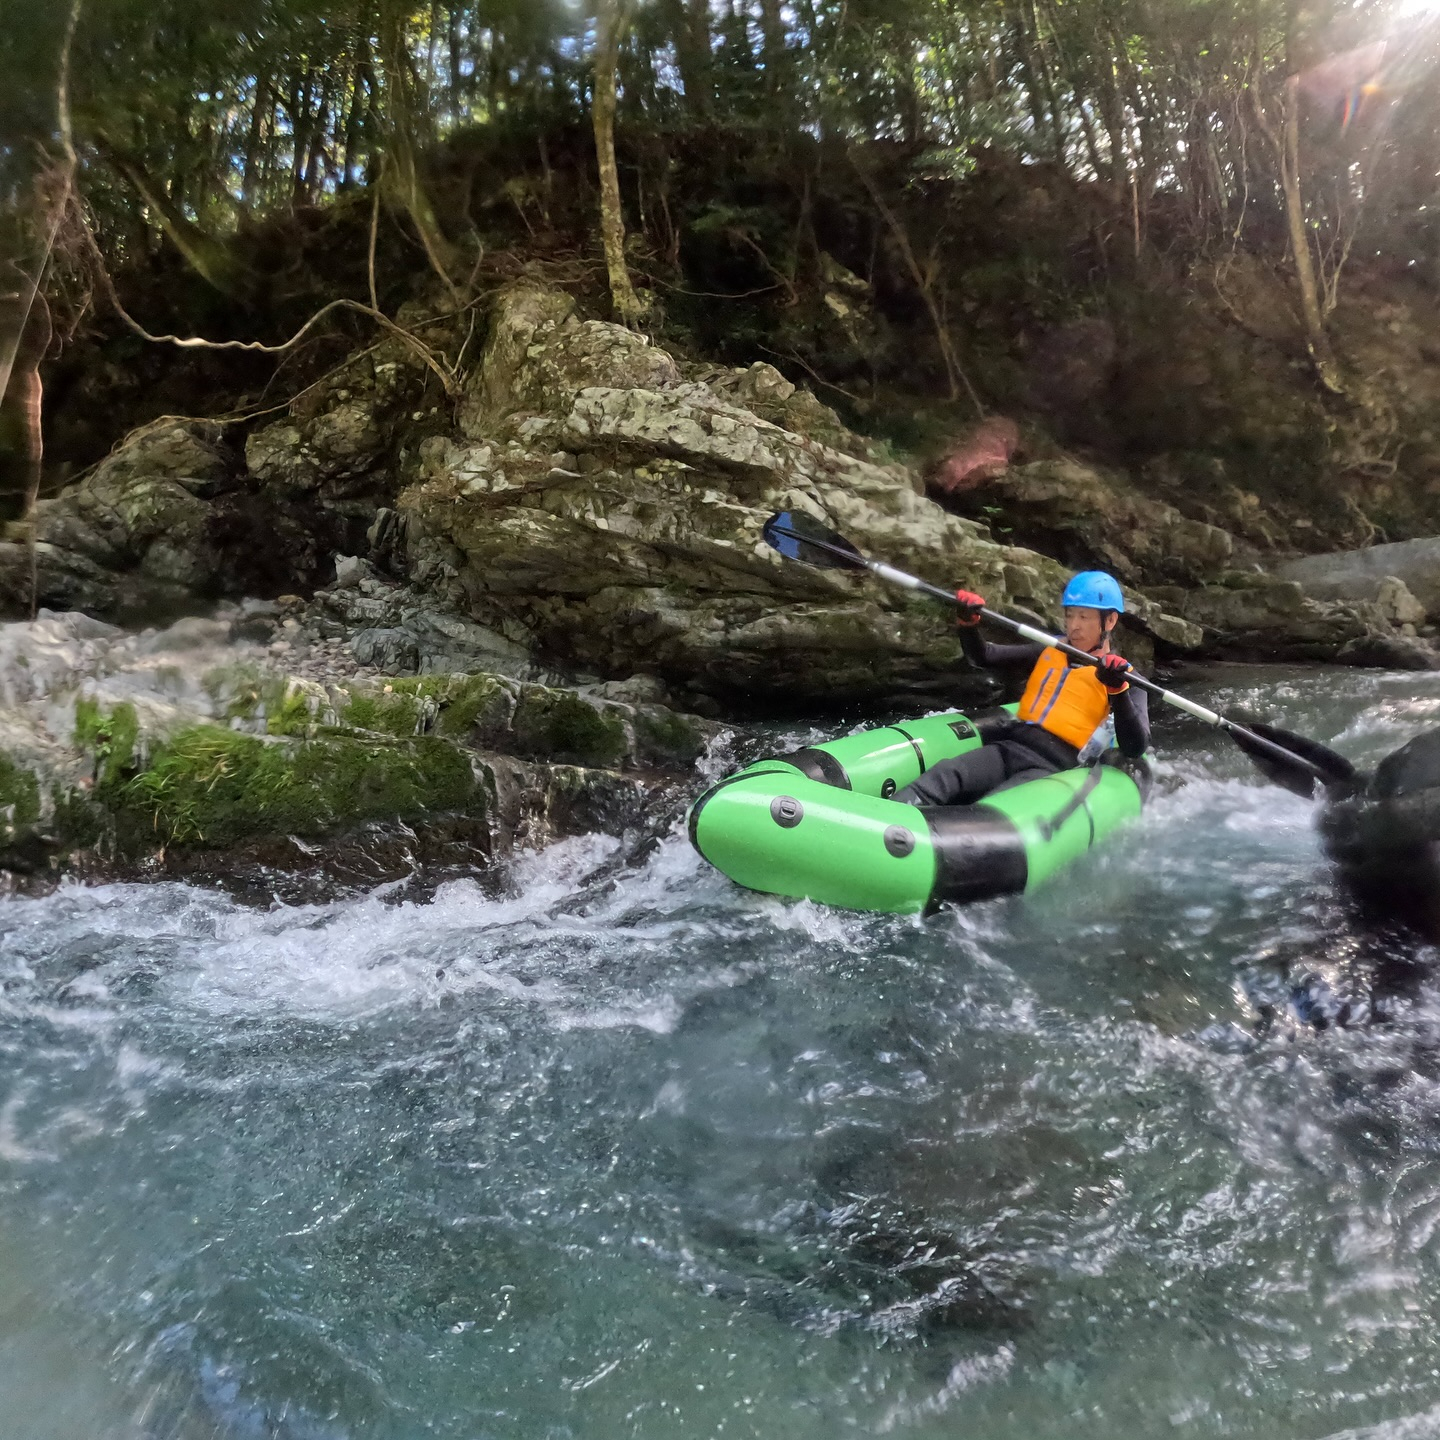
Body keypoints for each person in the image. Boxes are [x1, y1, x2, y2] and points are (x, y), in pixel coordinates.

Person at [895, 571, 1150, 807]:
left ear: (1110, 621)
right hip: (1010, 747)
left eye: (1084, 617)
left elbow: (1135, 747)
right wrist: (968, 624)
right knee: (947, 773)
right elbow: (983, 657)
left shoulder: (1126, 678)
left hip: (1052, 770)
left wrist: (1117, 690)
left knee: (991, 807)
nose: (1074, 625)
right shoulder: (1049, 649)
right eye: (1070, 614)